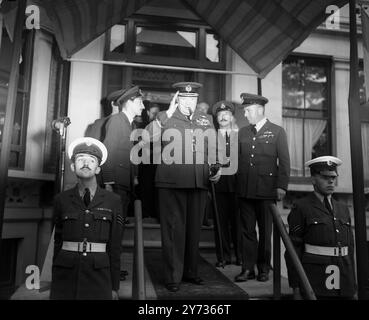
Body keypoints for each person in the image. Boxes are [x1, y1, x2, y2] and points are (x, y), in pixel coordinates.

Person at [144, 82, 220, 292]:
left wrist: (217, 167)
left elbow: (212, 146)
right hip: (172, 182)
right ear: (178, 99)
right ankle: (173, 276)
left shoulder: (205, 119)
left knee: (194, 230)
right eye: (185, 99)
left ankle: (190, 271)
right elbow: (148, 137)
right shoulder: (164, 117)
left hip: (199, 181)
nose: (190, 103)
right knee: (173, 230)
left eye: (193, 99)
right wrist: (167, 113)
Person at [50, 137, 123, 300]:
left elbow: (115, 247)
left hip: (99, 275)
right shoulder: (61, 200)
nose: (85, 163)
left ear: (98, 169)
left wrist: (114, 286)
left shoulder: (113, 201)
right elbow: (57, 242)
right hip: (65, 275)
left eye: (91, 160)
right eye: (80, 159)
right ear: (72, 166)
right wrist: (53, 278)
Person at [235, 93, 290, 282]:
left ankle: (264, 268)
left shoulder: (277, 131)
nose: (245, 113)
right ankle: (247, 268)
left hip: (266, 190)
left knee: (266, 231)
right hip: (244, 189)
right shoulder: (242, 132)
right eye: (245, 110)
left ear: (259, 110)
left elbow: (284, 161)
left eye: (248, 110)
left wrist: (282, 186)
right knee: (247, 231)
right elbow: (236, 160)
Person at [285, 156, 356, 300]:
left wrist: (352, 284)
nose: (330, 181)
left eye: (333, 177)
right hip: (316, 280)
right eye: (325, 177)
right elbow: (293, 250)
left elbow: (350, 247)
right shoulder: (302, 207)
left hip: (344, 280)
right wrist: (296, 287)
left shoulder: (343, 208)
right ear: (313, 180)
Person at [102, 85, 145, 216]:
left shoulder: (131, 124)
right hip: (116, 183)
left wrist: (135, 175)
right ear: (128, 103)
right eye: (139, 102)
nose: (143, 106)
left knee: (120, 222)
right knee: (114, 223)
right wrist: (108, 182)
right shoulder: (117, 121)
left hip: (126, 181)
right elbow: (109, 150)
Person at [211, 100, 241, 267]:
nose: (223, 117)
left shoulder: (240, 137)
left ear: (232, 117)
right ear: (216, 119)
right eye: (220, 115)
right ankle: (223, 257)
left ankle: (240, 256)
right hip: (219, 186)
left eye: (226, 115)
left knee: (238, 223)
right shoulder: (211, 137)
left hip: (237, 186)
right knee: (220, 223)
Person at [138, 101, 160, 220]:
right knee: (145, 188)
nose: (156, 115)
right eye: (153, 113)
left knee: (154, 188)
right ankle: (146, 213)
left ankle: (153, 213)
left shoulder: (160, 126)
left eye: (158, 113)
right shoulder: (143, 126)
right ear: (147, 113)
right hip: (145, 163)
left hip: (156, 163)